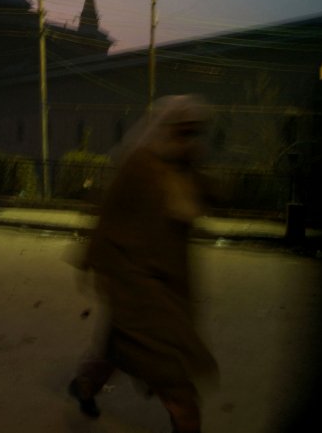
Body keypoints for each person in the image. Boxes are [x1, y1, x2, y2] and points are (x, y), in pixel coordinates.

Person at [68, 95, 219, 433]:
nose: (188, 141)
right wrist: (90, 262)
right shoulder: (140, 165)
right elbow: (108, 213)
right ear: (166, 130)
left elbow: (212, 198)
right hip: (138, 288)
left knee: (118, 349)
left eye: (194, 134)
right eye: (182, 133)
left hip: (167, 289)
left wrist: (198, 167)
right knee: (174, 380)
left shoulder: (185, 170)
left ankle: (85, 385)